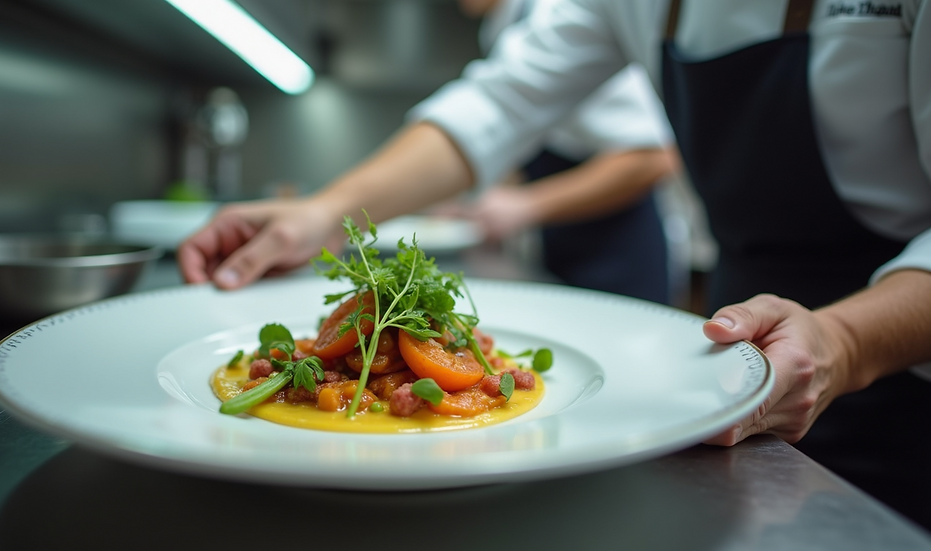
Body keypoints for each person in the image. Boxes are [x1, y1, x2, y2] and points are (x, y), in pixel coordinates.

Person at [178, 0, 931, 529]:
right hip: (738, 352)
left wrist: (846, 342)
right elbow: (496, 105)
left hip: (903, 354)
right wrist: (326, 213)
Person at [433, 0, 676, 304]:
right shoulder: (501, 24)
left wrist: (526, 204)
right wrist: (477, 201)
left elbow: (654, 155)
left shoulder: (563, 16)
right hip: (562, 249)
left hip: (619, 256)